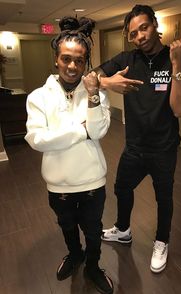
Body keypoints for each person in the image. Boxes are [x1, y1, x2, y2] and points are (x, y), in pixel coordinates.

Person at [96, 4, 181, 273]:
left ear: (154, 24)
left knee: (164, 198)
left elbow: (180, 109)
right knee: (121, 188)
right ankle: (124, 229)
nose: (139, 36)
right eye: (133, 33)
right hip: (134, 147)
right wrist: (108, 83)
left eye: (144, 27)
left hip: (164, 148)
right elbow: (91, 78)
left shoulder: (177, 57)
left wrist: (176, 63)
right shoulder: (127, 59)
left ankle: (161, 241)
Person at [25, 16, 113, 294]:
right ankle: (75, 255)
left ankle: (93, 265)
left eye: (80, 60)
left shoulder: (95, 92)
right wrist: (80, 131)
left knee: (93, 228)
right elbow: (38, 139)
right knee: (66, 225)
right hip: (58, 183)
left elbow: (98, 131)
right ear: (56, 60)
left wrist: (94, 96)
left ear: (86, 61)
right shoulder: (38, 97)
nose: (73, 66)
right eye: (66, 59)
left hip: (92, 181)